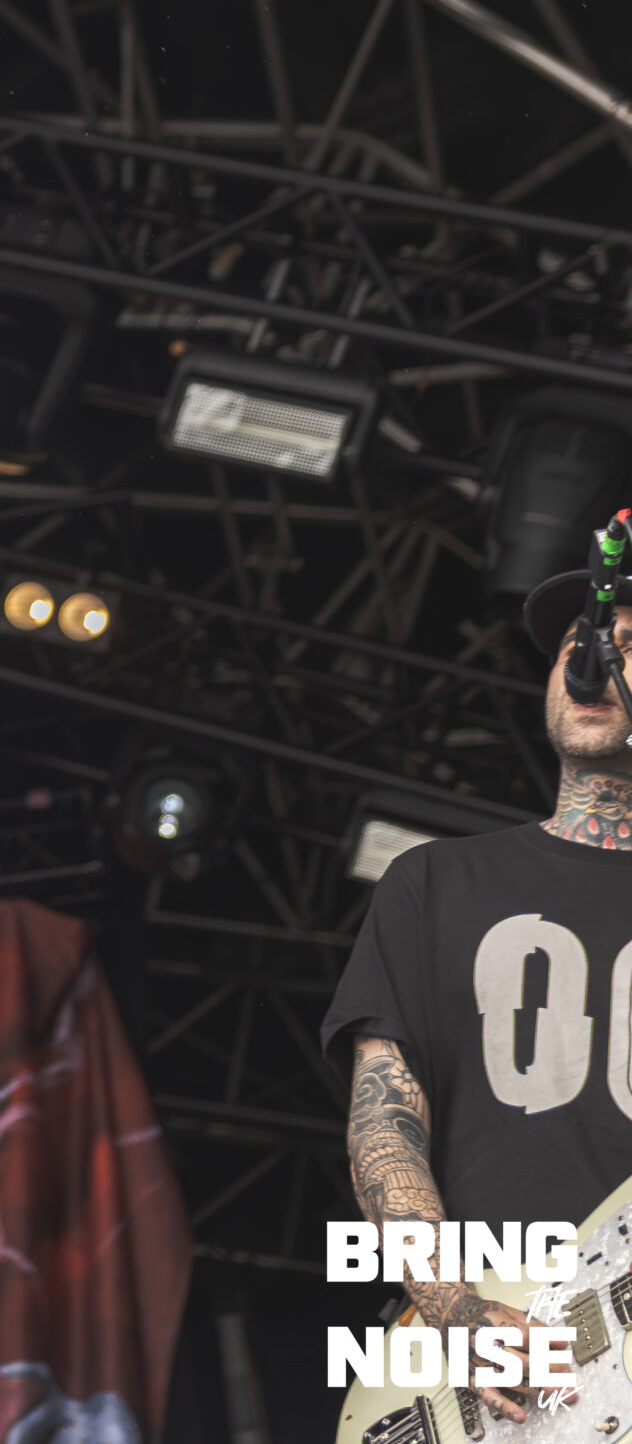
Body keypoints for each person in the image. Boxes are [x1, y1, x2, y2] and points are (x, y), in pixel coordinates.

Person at [321, 532, 632, 1424]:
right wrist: (456, 1310)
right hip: (490, 1369)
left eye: (626, 645)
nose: (591, 659)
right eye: (579, 641)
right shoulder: (437, 882)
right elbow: (384, 1125)